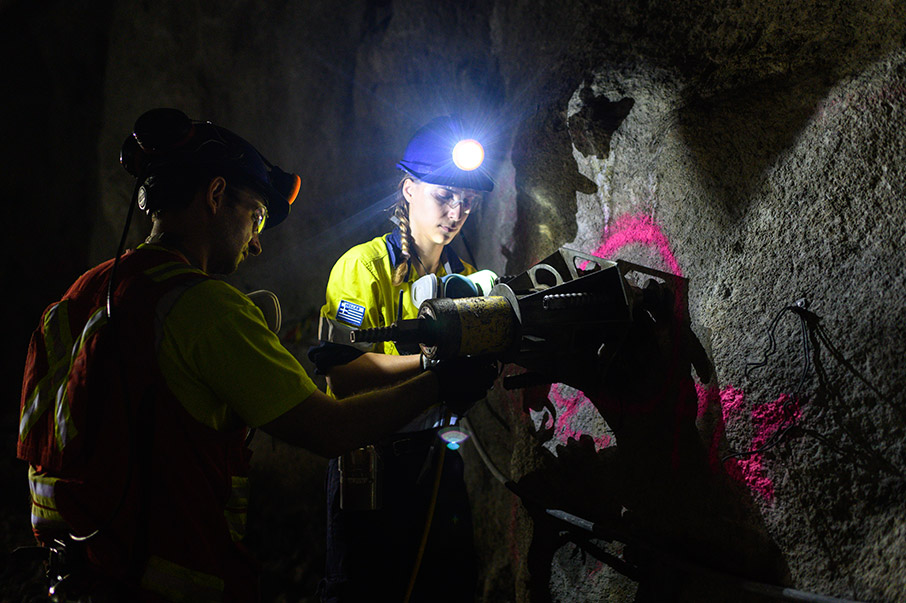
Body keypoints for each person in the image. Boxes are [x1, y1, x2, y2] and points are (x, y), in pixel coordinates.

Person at [16, 108, 495, 602]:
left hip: (74, 569)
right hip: (162, 575)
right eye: (257, 215)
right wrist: (441, 378)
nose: (258, 242)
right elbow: (331, 425)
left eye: (467, 200)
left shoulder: (81, 294)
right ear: (216, 194)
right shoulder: (204, 306)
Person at [309, 115, 497, 603]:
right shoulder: (362, 267)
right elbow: (346, 374)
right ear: (409, 188)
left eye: (468, 200)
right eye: (444, 195)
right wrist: (435, 367)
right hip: (369, 465)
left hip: (439, 461)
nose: (456, 211)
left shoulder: (469, 280)